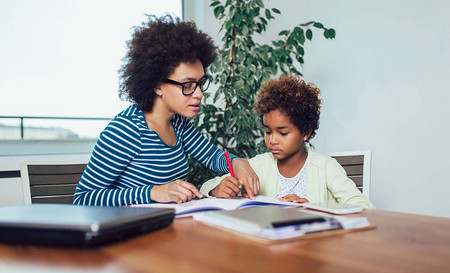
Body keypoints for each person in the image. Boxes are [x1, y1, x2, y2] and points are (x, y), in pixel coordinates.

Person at [74, 14, 259, 206]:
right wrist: (154, 192)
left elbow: (212, 156)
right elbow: (83, 199)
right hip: (135, 231)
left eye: (201, 83)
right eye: (187, 85)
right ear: (157, 85)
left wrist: (238, 162)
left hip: (172, 226)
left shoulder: (178, 123)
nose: (199, 94)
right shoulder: (126, 131)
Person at [200, 74, 375, 209]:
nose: (272, 140)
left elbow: (365, 207)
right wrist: (217, 189)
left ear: (306, 132)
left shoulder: (326, 167)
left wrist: (313, 207)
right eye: (268, 131)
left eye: (283, 133)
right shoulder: (259, 165)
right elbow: (205, 187)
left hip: (315, 248)